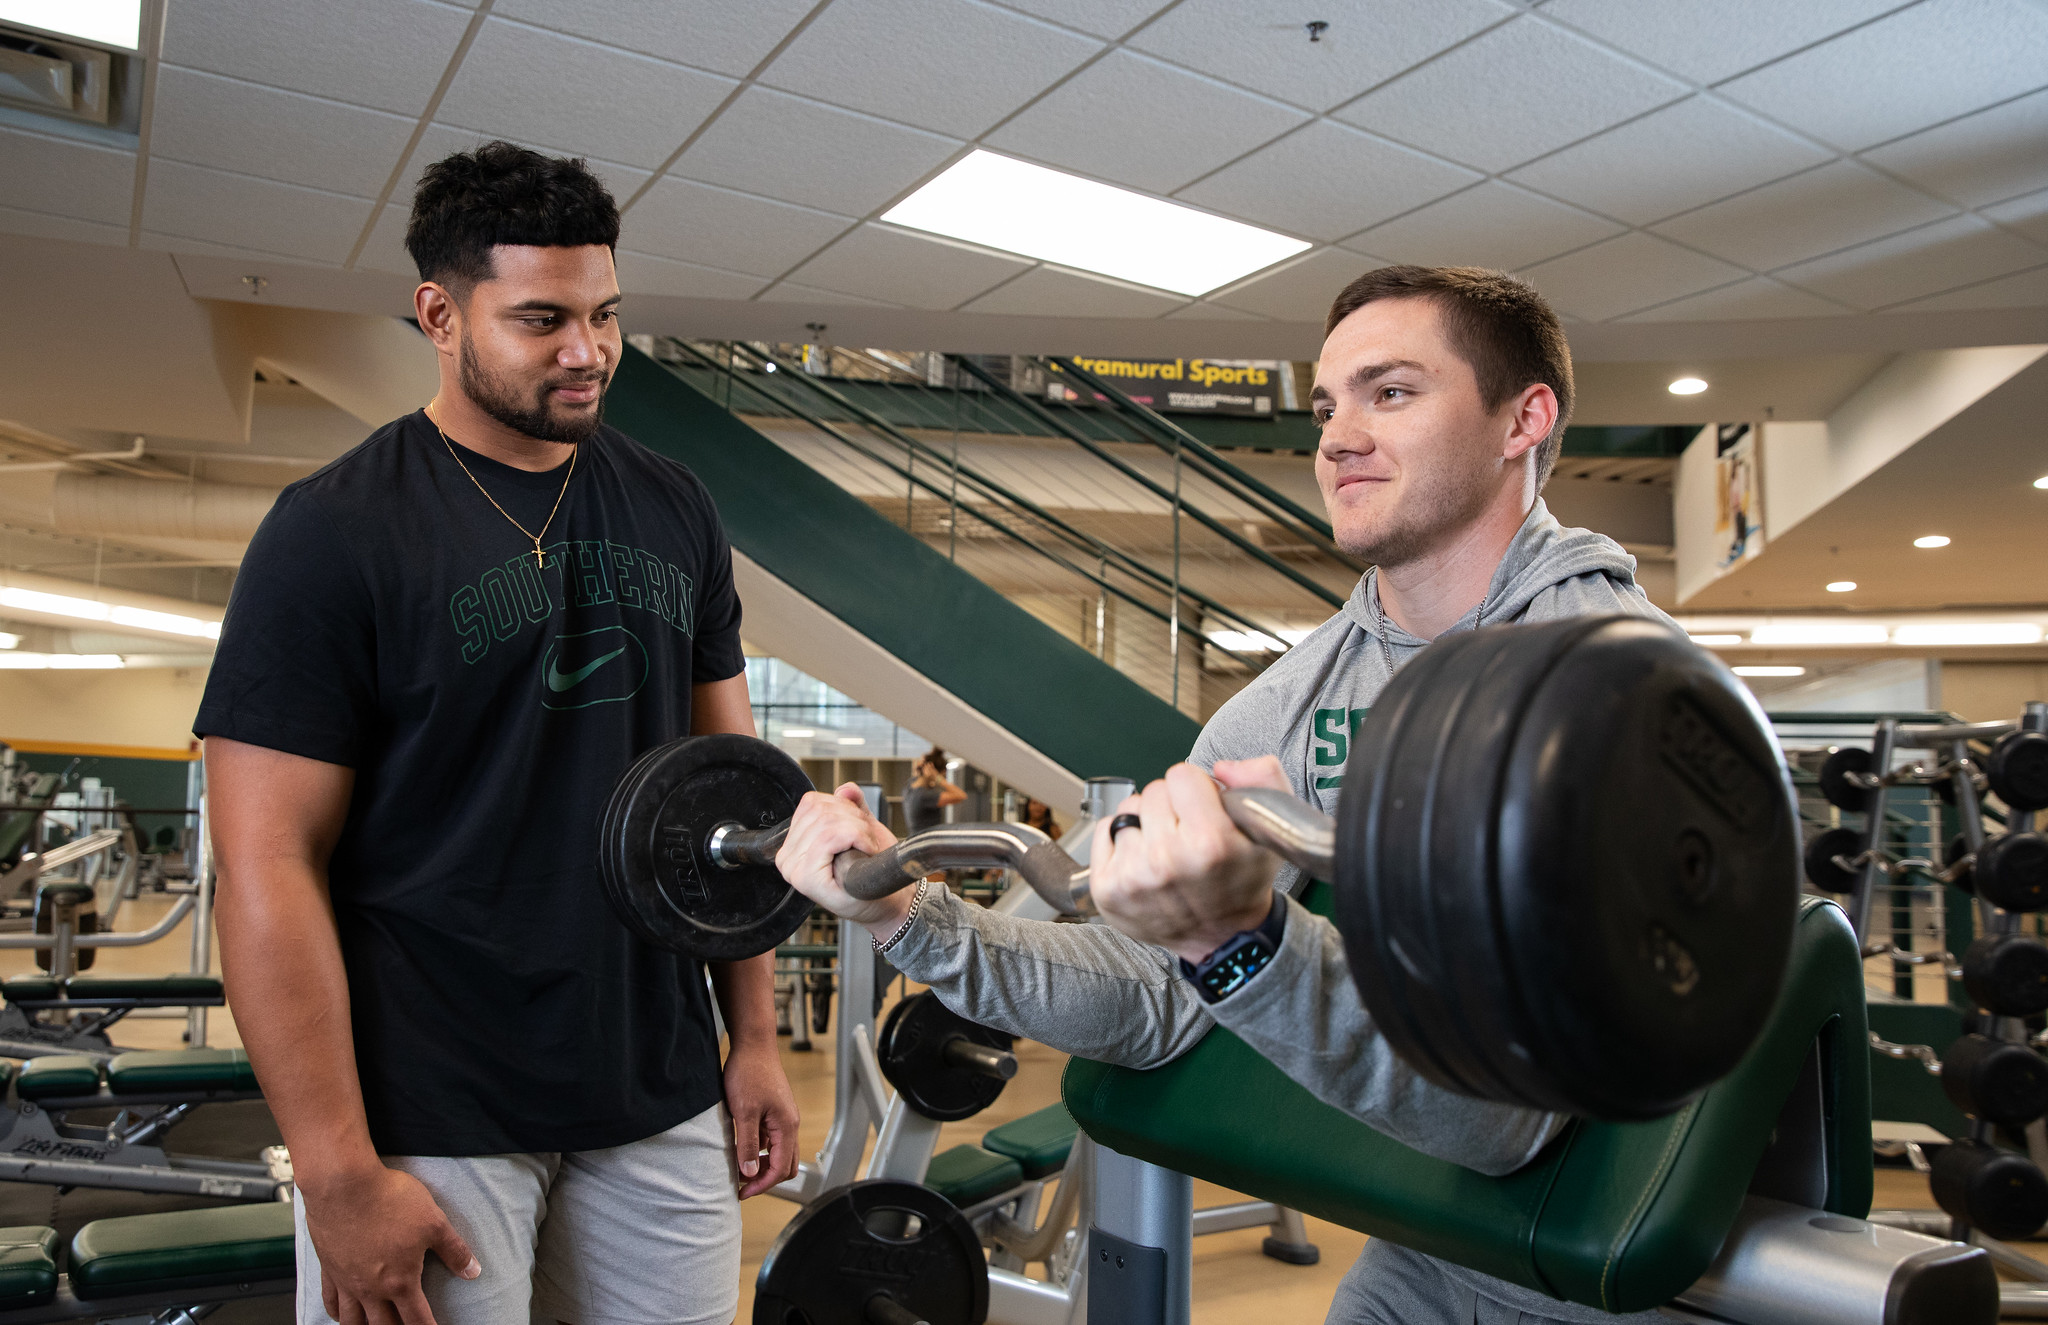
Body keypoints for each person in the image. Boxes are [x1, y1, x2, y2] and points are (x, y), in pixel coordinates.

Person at [774, 266, 1676, 1325]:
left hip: (1634, 1272)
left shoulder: (1619, 690)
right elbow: (1153, 999)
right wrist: (905, 915)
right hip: (1437, 1248)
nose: (1336, 436)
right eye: (1326, 404)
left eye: (1388, 392)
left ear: (1522, 418)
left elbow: (1506, 1114)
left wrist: (1238, 939)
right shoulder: (1293, 704)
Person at [197, 142, 796, 1325]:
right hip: (432, 1109)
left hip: (655, 1087)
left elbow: (727, 802)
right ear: (438, 311)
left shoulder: (673, 502)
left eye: (606, 315)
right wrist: (335, 1171)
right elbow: (265, 863)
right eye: (542, 320)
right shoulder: (333, 533)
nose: (589, 351)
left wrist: (757, 1036)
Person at [901, 748, 965, 835]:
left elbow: (918, 773)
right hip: (928, 845)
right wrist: (938, 778)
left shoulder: (909, 787)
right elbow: (961, 796)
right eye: (943, 775)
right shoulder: (925, 796)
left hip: (915, 842)